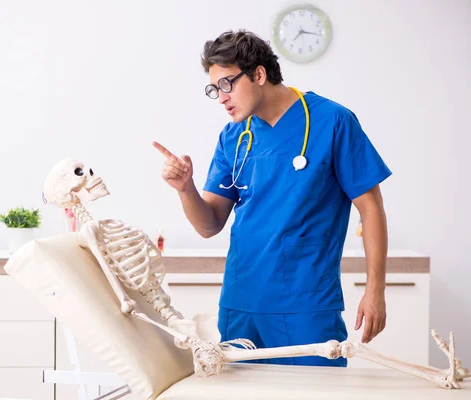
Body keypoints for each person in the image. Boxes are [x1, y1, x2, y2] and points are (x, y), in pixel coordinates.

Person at [153, 30, 391, 367]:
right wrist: (185, 188)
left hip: (306, 305)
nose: (221, 97)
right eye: (214, 89)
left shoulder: (333, 121)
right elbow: (209, 225)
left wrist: (375, 290)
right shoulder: (234, 136)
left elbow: (371, 209)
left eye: (227, 84)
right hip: (243, 304)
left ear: (259, 75)